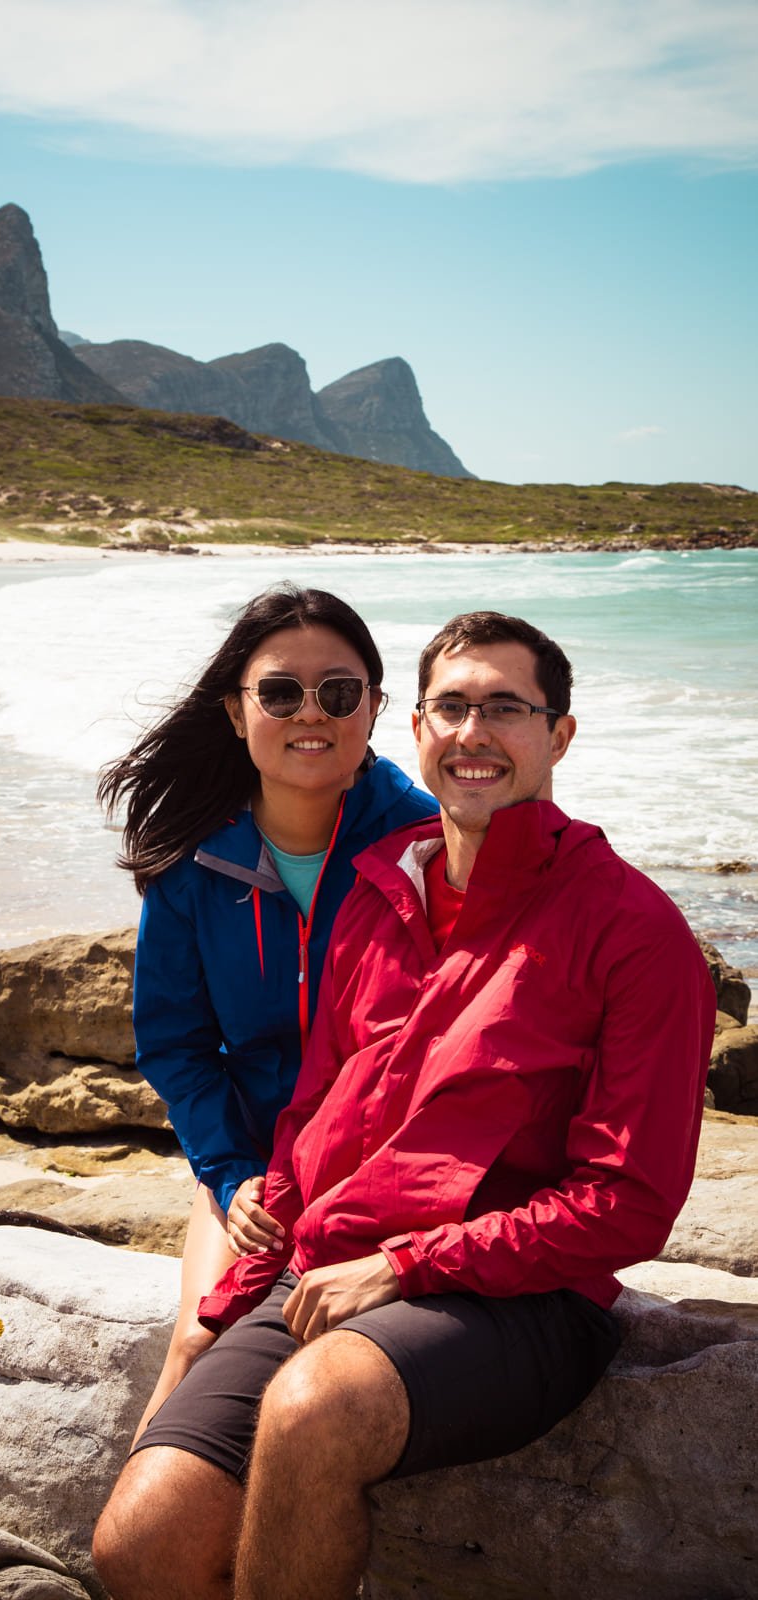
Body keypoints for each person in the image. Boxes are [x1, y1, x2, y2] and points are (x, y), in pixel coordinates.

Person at [93, 610, 716, 1600]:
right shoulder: (378, 891)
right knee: (140, 1549)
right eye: (452, 707)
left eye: (505, 709)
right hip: (329, 1265)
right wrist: (254, 1246)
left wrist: (403, 1265)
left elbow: (626, 1204)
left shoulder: (631, 932)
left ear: (557, 735)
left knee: (309, 1408)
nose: (473, 733)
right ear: (416, 730)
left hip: (517, 1298)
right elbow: (311, 1112)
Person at [97, 584, 437, 1433]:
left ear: (376, 707)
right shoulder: (193, 860)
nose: (309, 714)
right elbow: (175, 1045)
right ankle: (132, 1561)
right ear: (236, 709)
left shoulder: (427, 842)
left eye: (339, 691)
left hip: (384, 1173)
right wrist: (230, 1175)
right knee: (196, 1344)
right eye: (280, 692)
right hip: (253, 1168)